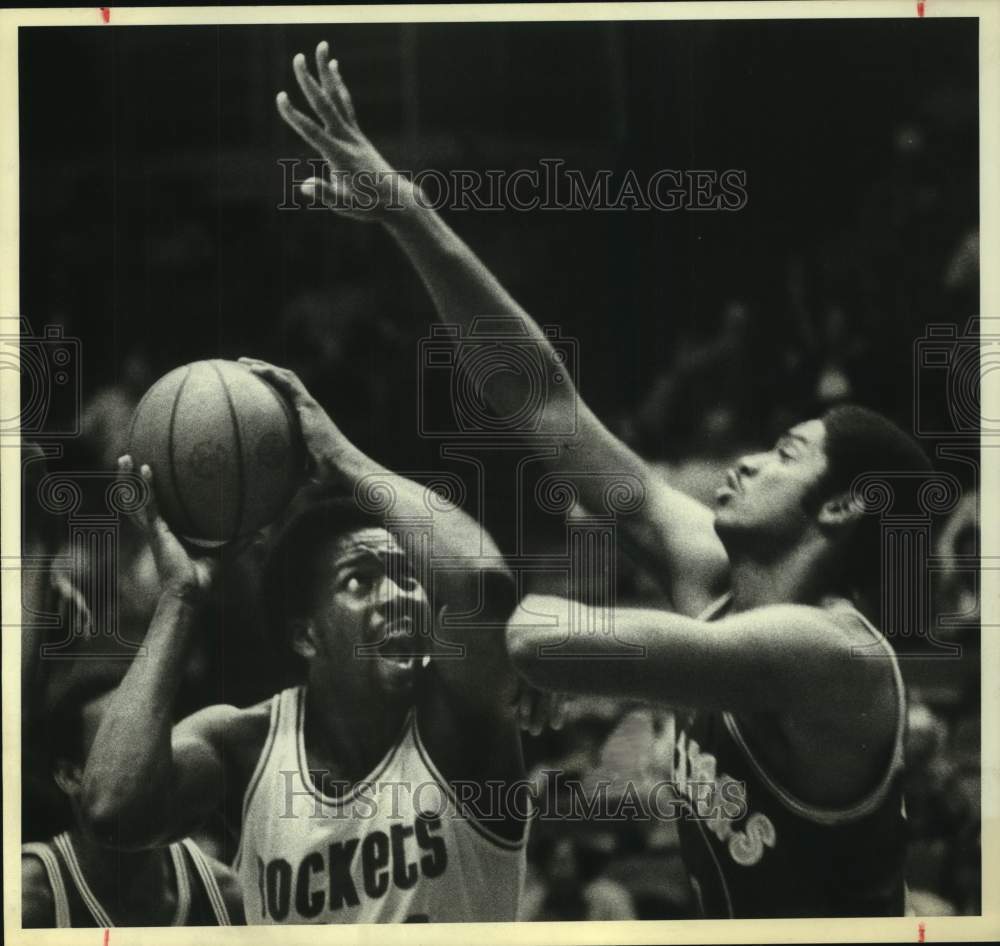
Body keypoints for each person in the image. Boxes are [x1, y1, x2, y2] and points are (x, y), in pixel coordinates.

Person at [274, 41, 929, 917]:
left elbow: (539, 638)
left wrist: (576, 663)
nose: (744, 460)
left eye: (785, 453)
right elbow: (547, 405)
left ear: (846, 503)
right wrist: (408, 212)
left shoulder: (835, 659)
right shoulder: (713, 575)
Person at [79, 357, 542, 924]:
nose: (398, 595)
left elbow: (478, 583)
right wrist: (181, 596)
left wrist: (342, 456)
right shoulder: (246, 746)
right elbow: (112, 810)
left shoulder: (460, 723)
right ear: (306, 636)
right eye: (361, 580)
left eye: (407, 576)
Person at [22, 682, 243, 927]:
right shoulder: (29, 899)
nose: (146, 767)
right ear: (70, 775)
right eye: (124, 754)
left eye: (154, 748)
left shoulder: (225, 895)